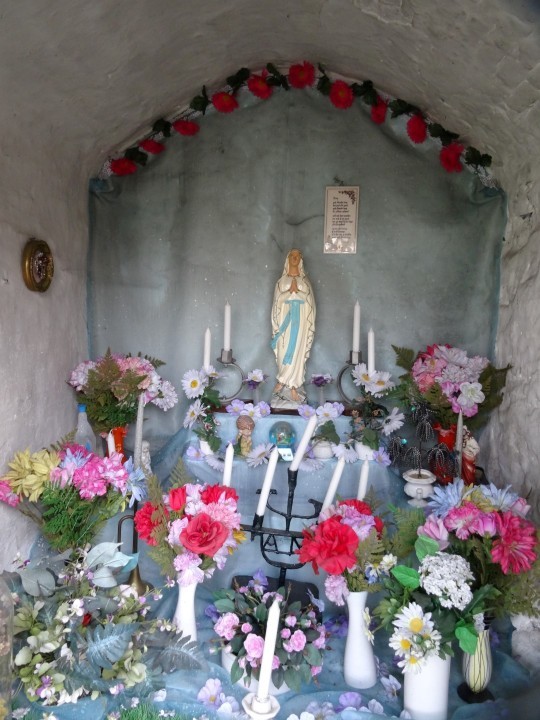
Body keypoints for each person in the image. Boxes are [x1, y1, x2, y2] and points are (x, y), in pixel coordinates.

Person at [271, 248, 316, 406]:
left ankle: (294, 386)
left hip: (301, 323)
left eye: (298, 256)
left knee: (297, 351)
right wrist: (289, 293)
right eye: (292, 255)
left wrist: (298, 293)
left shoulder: (305, 282)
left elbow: (311, 304)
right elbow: (276, 303)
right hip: (285, 323)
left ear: (301, 260)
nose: (295, 258)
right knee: (284, 351)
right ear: (288, 259)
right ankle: (282, 380)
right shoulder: (281, 282)